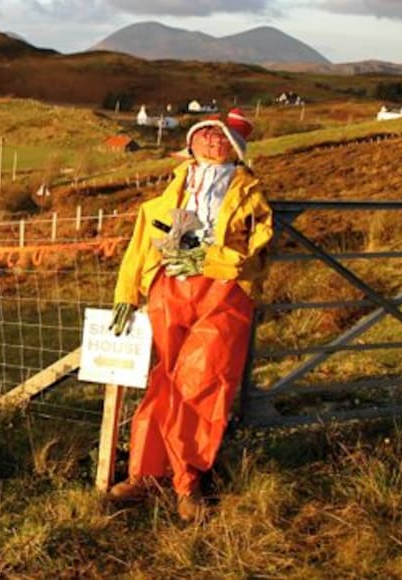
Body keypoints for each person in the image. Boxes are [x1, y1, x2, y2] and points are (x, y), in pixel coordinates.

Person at [106, 108, 273, 522]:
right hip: (168, 288)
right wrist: (127, 291)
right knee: (162, 381)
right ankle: (145, 473)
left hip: (223, 295)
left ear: (235, 148)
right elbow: (143, 240)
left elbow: (256, 250)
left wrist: (208, 259)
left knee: (203, 383)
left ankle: (188, 481)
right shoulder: (169, 194)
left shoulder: (251, 193)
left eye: (221, 136)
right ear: (191, 143)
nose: (213, 141)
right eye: (205, 134)